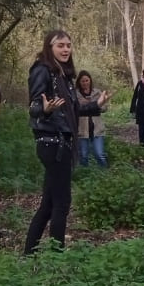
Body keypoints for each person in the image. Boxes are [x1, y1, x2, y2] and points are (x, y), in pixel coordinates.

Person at [25, 30, 110, 254]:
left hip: (62, 142)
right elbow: (34, 106)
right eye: (60, 45)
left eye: (68, 45)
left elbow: (72, 110)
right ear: (49, 47)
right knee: (61, 203)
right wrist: (43, 109)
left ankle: (29, 252)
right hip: (52, 143)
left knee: (49, 204)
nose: (65, 50)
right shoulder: (42, 70)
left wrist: (96, 105)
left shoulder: (64, 76)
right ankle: (57, 256)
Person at [75, 71, 110, 168]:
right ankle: (85, 175)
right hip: (82, 128)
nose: (85, 83)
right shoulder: (76, 94)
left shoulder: (97, 92)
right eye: (83, 81)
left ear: (90, 81)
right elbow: (76, 110)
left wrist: (95, 105)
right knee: (83, 155)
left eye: (87, 80)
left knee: (99, 154)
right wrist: (92, 105)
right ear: (79, 82)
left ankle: (105, 176)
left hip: (97, 127)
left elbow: (104, 108)